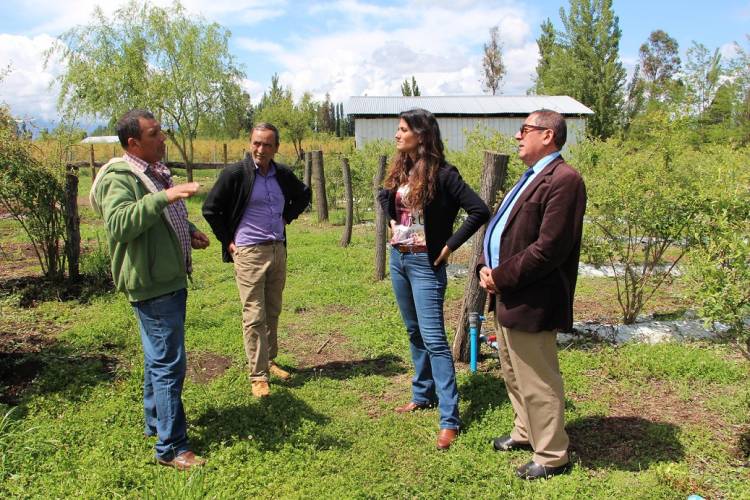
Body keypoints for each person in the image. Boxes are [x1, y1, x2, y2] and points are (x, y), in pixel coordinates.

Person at [89, 109, 210, 470]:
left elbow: (157, 216)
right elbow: (121, 223)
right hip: (152, 284)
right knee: (169, 365)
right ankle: (171, 447)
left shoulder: (150, 171)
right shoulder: (119, 177)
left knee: (157, 358)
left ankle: (155, 424)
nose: (163, 138)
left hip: (165, 279)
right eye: (155, 134)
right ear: (133, 143)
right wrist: (167, 196)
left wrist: (187, 229)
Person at [478, 109, 586, 480]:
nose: (518, 137)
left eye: (525, 130)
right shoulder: (532, 176)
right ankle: (525, 432)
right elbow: (503, 227)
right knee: (513, 371)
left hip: (532, 295)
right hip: (508, 291)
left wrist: (500, 277)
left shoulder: (565, 179)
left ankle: (553, 454)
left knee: (538, 376)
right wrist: (483, 264)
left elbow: (549, 248)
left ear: (548, 135)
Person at [378, 108, 490, 450]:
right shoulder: (402, 168)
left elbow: (479, 210)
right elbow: (385, 196)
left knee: (434, 340)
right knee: (414, 332)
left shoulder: (444, 174)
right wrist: (392, 223)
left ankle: (449, 419)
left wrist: (449, 246)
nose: (396, 135)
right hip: (399, 260)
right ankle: (422, 394)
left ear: (422, 135)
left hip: (426, 266)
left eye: (402, 130)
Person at [202, 123, 310, 398]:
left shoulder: (281, 173)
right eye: (256, 143)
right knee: (254, 315)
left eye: (267, 145)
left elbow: (304, 194)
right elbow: (211, 209)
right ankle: (258, 375)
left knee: (273, 310)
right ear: (250, 143)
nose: (261, 149)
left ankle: (269, 361)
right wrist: (227, 240)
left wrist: (287, 217)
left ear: (276, 148)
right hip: (249, 252)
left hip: (277, 249)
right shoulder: (235, 174)